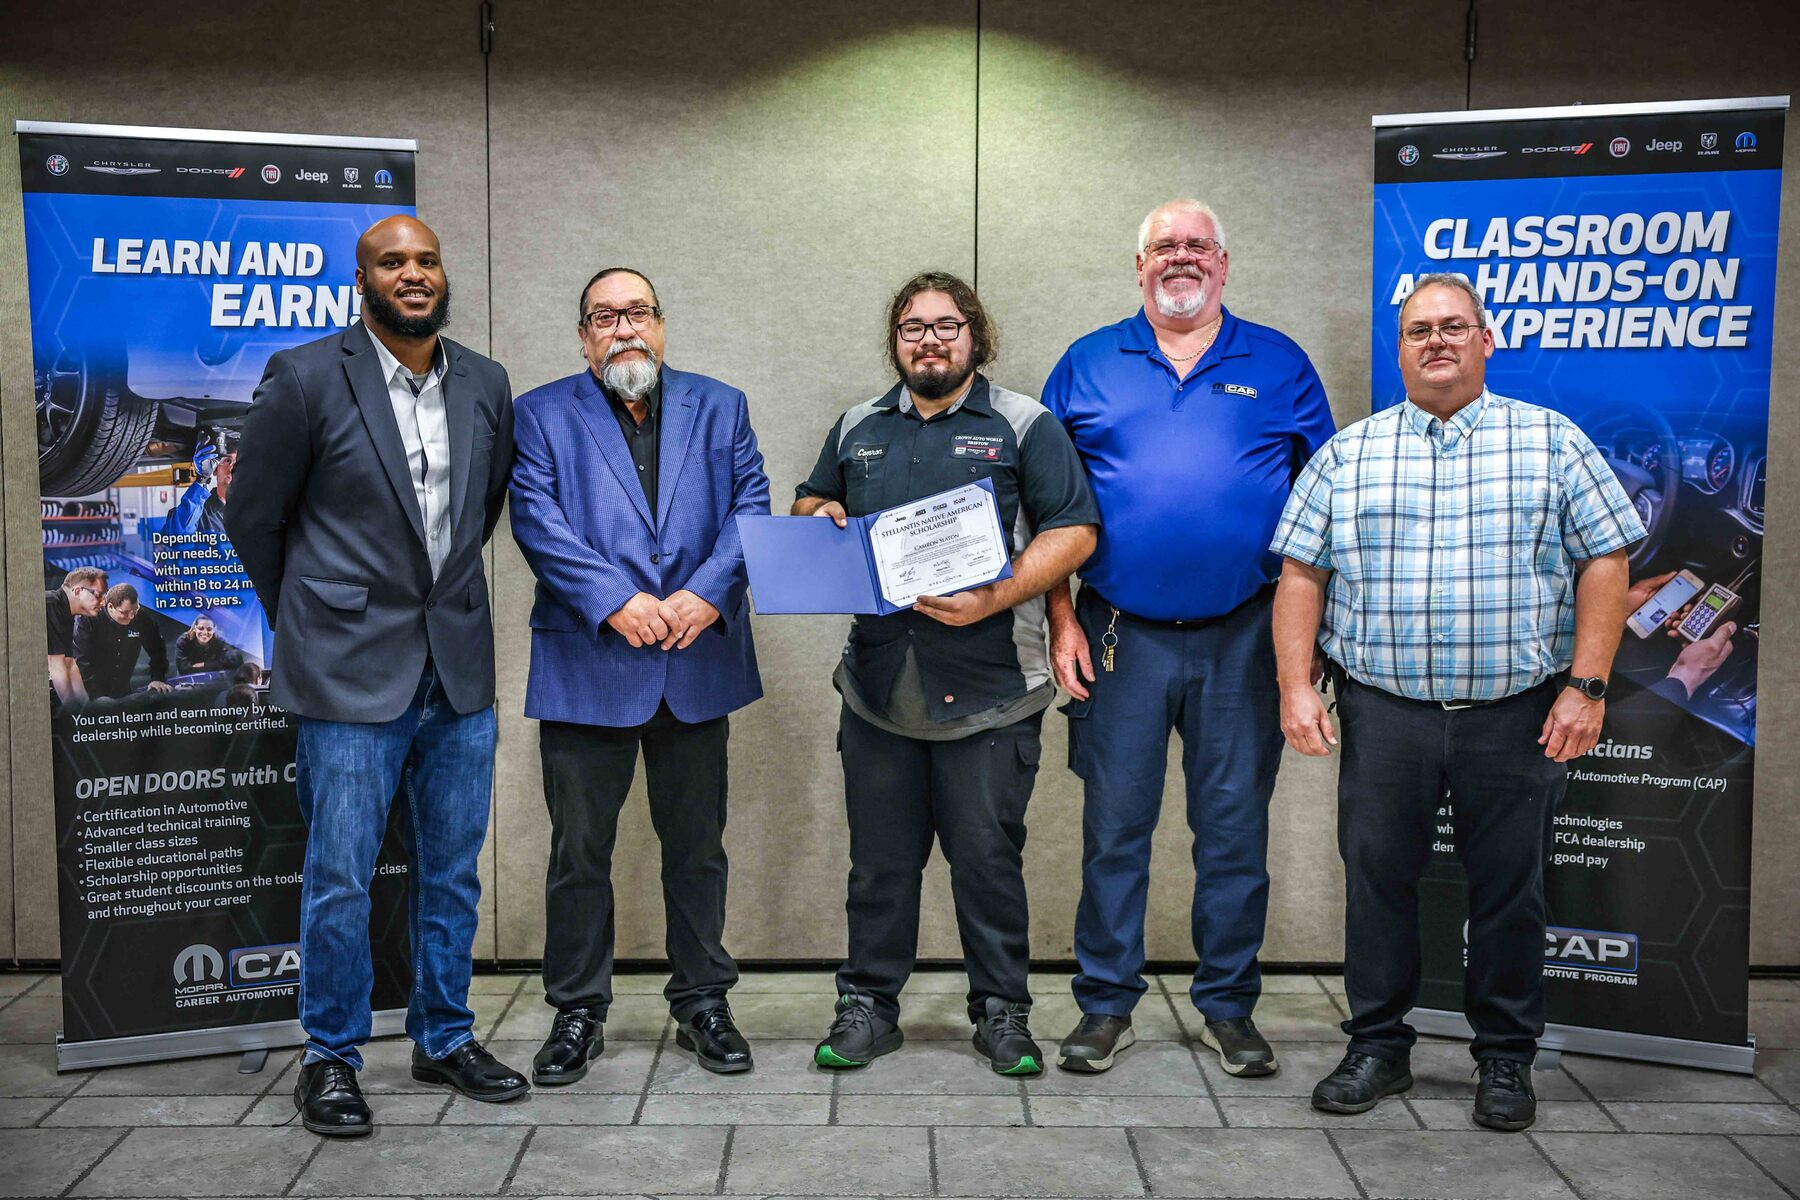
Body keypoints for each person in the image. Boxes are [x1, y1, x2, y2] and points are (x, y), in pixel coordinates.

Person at [1269, 272, 1644, 1133]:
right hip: (1385, 713)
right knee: (1378, 883)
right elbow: (1300, 575)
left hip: (1515, 715)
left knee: (1510, 891)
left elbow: (1606, 564)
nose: (1435, 342)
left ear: (1485, 340)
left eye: (1453, 327)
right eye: (1418, 331)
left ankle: (1506, 1060)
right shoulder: (1349, 453)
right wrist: (1297, 686)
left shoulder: (1552, 442)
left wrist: (1587, 686)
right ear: (1399, 349)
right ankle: (1377, 1047)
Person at [226, 214, 522, 1138]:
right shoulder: (308, 376)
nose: (414, 274)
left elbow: (481, 513)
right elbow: (253, 519)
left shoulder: (485, 381)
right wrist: (312, 623)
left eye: (428, 259)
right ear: (362, 279)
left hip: (457, 668)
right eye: (393, 262)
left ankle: (443, 1035)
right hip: (347, 673)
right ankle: (331, 1059)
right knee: (341, 878)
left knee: (452, 871)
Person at [1041, 199, 1335, 1076]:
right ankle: (1103, 1005)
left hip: (1246, 638)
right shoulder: (1087, 363)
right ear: (1137, 267)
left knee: (1235, 832)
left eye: (1196, 246)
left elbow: (1323, 513)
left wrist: (1304, 650)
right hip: (1118, 633)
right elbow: (1048, 507)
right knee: (1115, 830)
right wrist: (1061, 618)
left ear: (1224, 263)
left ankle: (1229, 1007)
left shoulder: (1278, 361)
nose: (1181, 258)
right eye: (1164, 246)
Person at [794, 271, 1099, 1076]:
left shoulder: (1024, 423)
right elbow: (810, 502)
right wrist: (816, 515)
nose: (929, 340)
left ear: (976, 335)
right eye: (912, 328)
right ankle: (868, 1007)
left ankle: (1001, 1013)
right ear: (896, 342)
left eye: (946, 326)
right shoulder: (859, 425)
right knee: (879, 866)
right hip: (878, 687)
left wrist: (998, 594)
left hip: (992, 689)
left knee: (988, 864)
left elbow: (1073, 531)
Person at [510, 267, 769, 1083]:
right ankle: (577, 1012)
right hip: (591, 661)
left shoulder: (720, 405)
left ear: (662, 324)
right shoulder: (541, 414)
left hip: (697, 657)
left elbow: (752, 507)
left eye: (638, 312)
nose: (623, 328)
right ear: (583, 337)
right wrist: (615, 599)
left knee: (698, 850)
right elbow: (536, 520)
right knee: (579, 853)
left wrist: (704, 594)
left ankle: (703, 1003)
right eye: (603, 317)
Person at [74, 583, 170, 699]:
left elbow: (158, 649)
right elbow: (81, 662)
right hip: (88, 692)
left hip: (123, 688)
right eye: (124, 613)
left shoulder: (141, 617)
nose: (131, 617)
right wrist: (96, 696)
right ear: (110, 607)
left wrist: (157, 678)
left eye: (135, 611)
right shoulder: (86, 620)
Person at [47, 566, 107, 710]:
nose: (104, 602)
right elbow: (56, 666)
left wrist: (87, 708)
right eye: (99, 595)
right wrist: (73, 713)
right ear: (78, 591)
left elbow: (70, 664)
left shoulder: (66, 612)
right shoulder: (50, 604)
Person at [165, 437, 234, 535]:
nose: (232, 468)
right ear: (215, 469)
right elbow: (178, 536)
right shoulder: (198, 513)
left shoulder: (256, 513)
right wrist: (202, 478)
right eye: (227, 461)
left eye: (239, 462)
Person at [173, 614, 247, 675]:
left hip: (213, 679)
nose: (205, 632)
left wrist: (205, 665)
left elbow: (236, 659)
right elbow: (183, 669)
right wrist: (218, 664)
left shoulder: (218, 641)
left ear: (214, 630)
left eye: (209, 629)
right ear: (195, 628)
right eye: (201, 628)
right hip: (188, 681)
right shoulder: (184, 640)